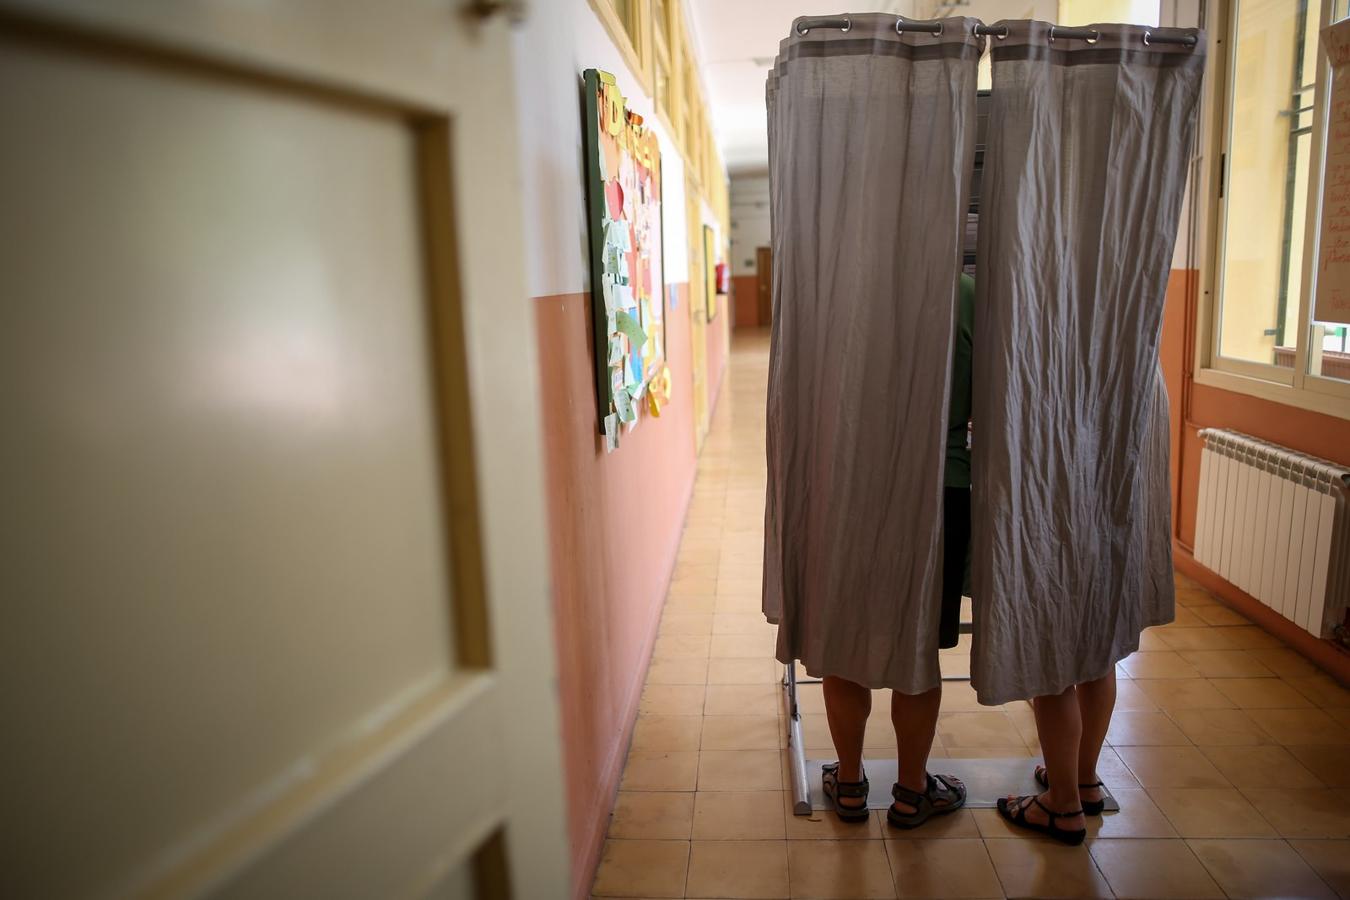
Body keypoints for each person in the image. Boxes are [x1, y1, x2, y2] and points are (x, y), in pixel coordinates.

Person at [819, 273, 975, 826]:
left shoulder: (841, 283)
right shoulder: (964, 293)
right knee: (917, 648)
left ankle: (852, 782)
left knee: (846, 643)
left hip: (849, 491)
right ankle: (912, 793)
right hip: (941, 490)